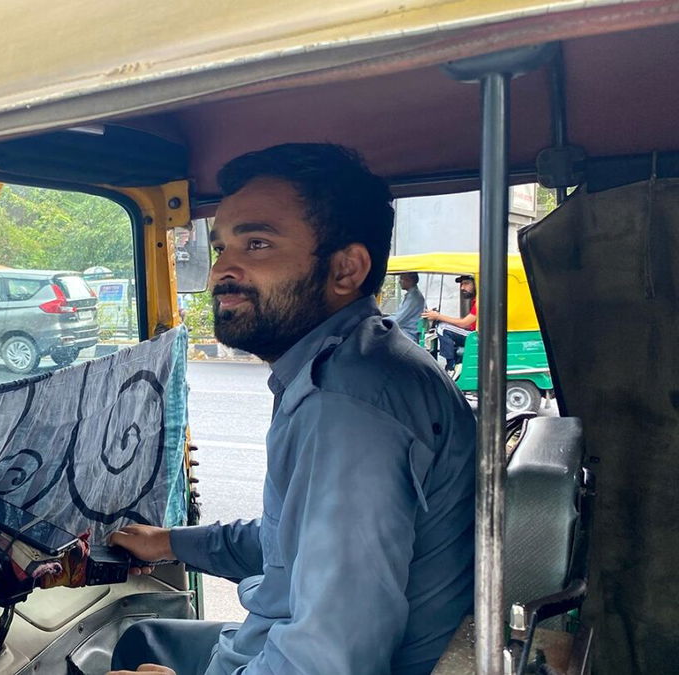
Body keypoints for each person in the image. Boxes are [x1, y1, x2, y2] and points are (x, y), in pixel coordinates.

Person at [107, 144, 476, 675]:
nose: (219, 275)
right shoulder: (356, 359)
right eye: (220, 249)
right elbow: (289, 541)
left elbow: (330, 657)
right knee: (144, 639)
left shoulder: (346, 402)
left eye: (256, 244)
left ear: (346, 268)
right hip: (269, 640)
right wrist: (171, 542)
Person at [422, 275, 477, 374]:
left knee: (442, 328)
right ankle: (454, 363)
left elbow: (465, 323)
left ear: (476, 284)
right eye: (461, 284)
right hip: (473, 334)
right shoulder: (476, 301)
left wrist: (438, 316)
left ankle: (450, 367)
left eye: (466, 283)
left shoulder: (480, 302)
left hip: (475, 337)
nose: (462, 288)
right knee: (443, 325)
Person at [391, 272, 425, 341]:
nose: (399, 281)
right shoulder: (412, 294)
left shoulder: (413, 297)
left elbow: (398, 319)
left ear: (409, 280)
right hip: (405, 332)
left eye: (401, 279)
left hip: (407, 334)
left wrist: (381, 321)